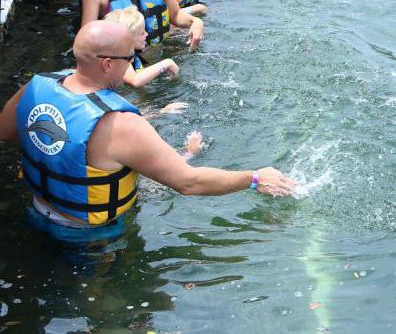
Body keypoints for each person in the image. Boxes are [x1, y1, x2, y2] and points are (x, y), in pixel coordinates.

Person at [0, 20, 297, 241]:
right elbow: (188, 183)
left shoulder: (36, 86)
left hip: (38, 210)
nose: (133, 62)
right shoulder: (119, 124)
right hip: (91, 237)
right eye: (129, 59)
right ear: (106, 63)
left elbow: (6, 132)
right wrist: (255, 178)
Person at [103, 6, 179, 87]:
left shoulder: (129, 54)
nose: (147, 34)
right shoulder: (118, 59)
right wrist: (167, 63)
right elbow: (134, 80)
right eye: (142, 33)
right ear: (128, 38)